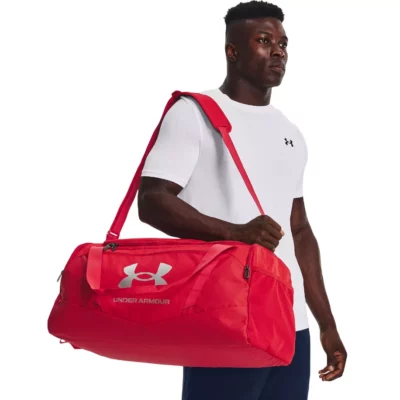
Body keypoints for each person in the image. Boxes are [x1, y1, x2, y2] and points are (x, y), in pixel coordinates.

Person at [137, 1, 347, 399]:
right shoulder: (193, 114)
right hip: (223, 318)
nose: (278, 51)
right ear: (232, 51)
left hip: (291, 325)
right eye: (264, 41)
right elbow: (151, 201)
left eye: (283, 43)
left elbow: (300, 231)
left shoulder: (290, 131)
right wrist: (235, 233)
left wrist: (327, 324)